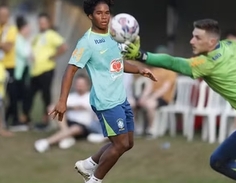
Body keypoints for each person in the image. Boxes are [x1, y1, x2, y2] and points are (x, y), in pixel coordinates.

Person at [124, 19, 236, 183]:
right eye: (192, 36)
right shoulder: (232, 45)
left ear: (211, 42)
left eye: (197, 37)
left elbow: (172, 63)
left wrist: (142, 56)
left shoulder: (205, 63)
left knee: (219, 161)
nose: (191, 41)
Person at [49, 1, 157, 183]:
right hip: (105, 101)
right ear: (90, 16)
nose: (104, 16)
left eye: (107, 12)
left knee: (128, 143)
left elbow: (117, 63)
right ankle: (94, 180)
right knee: (120, 143)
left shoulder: (113, 36)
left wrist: (139, 70)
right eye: (99, 13)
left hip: (120, 98)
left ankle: (88, 164)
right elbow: (70, 71)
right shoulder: (87, 42)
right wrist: (62, 101)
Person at [22, 12, 68, 130]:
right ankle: (26, 118)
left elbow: (64, 47)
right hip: (35, 71)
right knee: (29, 95)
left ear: (48, 23)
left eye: (43, 22)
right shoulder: (37, 36)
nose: (41, 24)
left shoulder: (51, 34)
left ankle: (46, 121)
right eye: (40, 22)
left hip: (46, 70)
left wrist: (53, 56)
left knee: (45, 96)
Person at [34, 74, 97, 153]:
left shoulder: (91, 98)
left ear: (87, 85)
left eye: (82, 84)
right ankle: (66, 134)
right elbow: (61, 107)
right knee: (52, 107)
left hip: (82, 125)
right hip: (68, 122)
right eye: (78, 84)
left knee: (75, 128)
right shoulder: (70, 96)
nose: (79, 86)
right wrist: (73, 108)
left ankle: (46, 142)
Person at [0, 4, 19, 127]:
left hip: (8, 66)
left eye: (5, 15)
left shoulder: (11, 29)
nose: (2, 17)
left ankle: (13, 120)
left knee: (11, 95)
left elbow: (8, 47)